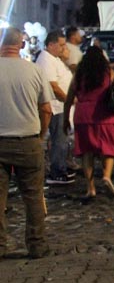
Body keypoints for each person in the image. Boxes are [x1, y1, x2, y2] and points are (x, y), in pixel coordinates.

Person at [0, 27, 52, 258]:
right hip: (28, 139)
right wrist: (41, 135)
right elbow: (47, 109)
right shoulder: (34, 70)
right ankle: (36, 244)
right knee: (33, 197)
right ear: (21, 45)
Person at [65, 46, 114, 200]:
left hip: (83, 116)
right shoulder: (109, 73)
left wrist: (65, 120)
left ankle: (91, 188)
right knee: (108, 148)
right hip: (105, 116)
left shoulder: (79, 75)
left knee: (86, 152)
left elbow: (68, 99)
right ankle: (107, 176)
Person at [36, 31, 74, 186]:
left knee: (62, 139)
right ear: (51, 45)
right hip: (56, 106)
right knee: (59, 140)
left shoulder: (54, 59)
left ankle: (61, 166)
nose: (63, 48)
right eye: (61, 45)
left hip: (61, 107)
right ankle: (57, 171)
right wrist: (69, 100)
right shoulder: (46, 60)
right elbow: (52, 86)